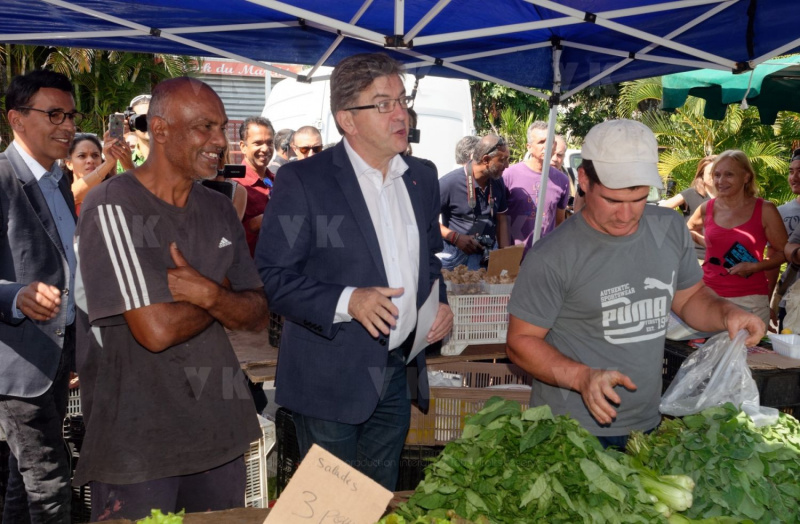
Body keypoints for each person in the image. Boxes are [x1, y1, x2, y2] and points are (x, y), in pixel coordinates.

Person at [73, 77, 269, 521]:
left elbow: (257, 312)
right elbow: (156, 330)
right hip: (139, 446)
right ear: (159, 130)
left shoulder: (219, 208)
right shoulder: (112, 205)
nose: (220, 141)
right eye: (204, 127)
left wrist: (205, 292)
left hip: (222, 434)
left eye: (222, 128)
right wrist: (220, 298)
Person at [255, 52, 453, 490]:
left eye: (402, 100)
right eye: (383, 104)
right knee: (332, 505)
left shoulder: (421, 176)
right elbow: (272, 277)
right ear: (347, 119)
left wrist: (440, 303)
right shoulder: (304, 181)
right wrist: (350, 300)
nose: (401, 113)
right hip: (329, 378)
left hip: (397, 372)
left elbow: (431, 260)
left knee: (378, 497)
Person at [505, 120, 765, 449]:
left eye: (639, 199)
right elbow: (520, 342)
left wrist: (727, 313)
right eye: (613, 201)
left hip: (647, 424)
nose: (627, 215)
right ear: (583, 181)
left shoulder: (669, 228)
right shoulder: (552, 255)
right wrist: (582, 378)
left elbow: (689, 299)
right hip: (572, 431)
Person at [0, 69, 80, 523]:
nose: (67, 126)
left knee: (23, 478)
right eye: (53, 114)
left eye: (70, 114)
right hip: (17, 364)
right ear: (17, 119)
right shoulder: (2, 178)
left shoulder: (60, 180)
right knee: (48, 483)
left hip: (56, 354)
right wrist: (15, 295)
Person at [687, 150, 787, 325]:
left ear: (746, 177)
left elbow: (783, 253)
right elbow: (687, 229)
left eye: (729, 175)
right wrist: (703, 241)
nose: (720, 181)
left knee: (746, 352)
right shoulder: (707, 208)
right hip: (709, 295)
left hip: (749, 300)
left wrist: (755, 266)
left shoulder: (765, 209)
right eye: (716, 175)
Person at [438, 134, 511, 270]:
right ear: (486, 159)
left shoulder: (497, 181)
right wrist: (455, 237)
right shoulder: (449, 183)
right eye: (502, 160)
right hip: (456, 260)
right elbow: (425, 221)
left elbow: (502, 219)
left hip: (487, 256)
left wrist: (505, 258)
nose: (507, 166)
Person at [503, 121, 571, 252]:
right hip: (513, 256)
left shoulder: (562, 181)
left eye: (550, 142)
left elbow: (559, 221)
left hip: (545, 256)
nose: (546, 146)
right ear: (529, 147)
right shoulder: (509, 175)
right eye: (541, 142)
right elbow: (499, 218)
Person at [659, 155, 717, 260]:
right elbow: (663, 208)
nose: (714, 176)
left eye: (717, 173)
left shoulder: (728, 197)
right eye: (710, 173)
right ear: (702, 175)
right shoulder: (692, 193)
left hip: (719, 255)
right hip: (694, 255)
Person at [239, 116, 276, 256]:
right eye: (258, 143)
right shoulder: (234, 185)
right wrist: (253, 225)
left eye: (269, 142)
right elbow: (223, 239)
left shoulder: (278, 181)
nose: (265, 149)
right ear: (243, 146)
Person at [66, 131, 130, 213]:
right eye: (82, 156)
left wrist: (128, 165)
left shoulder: (113, 192)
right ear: (69, 164)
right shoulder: (62, 193)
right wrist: (109, 163)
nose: (90, 160)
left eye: (95, 155)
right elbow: (74, 195)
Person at [117, 94, 151, 172]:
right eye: (143, 120)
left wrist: (130, 168)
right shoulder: (123, 159)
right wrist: (116, 134)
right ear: (131, 123)